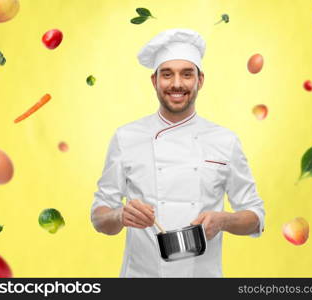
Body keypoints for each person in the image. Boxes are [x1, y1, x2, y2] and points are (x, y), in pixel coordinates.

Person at [90, 28, 265, 277]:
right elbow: (100, 218)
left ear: (200, 80)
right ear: (154, 80)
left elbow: (255, 217)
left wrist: (224, 220)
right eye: (167, 74)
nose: (176, 84)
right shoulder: (126, 137)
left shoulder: (225, 140)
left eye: (186, 74)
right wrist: (120, 215)